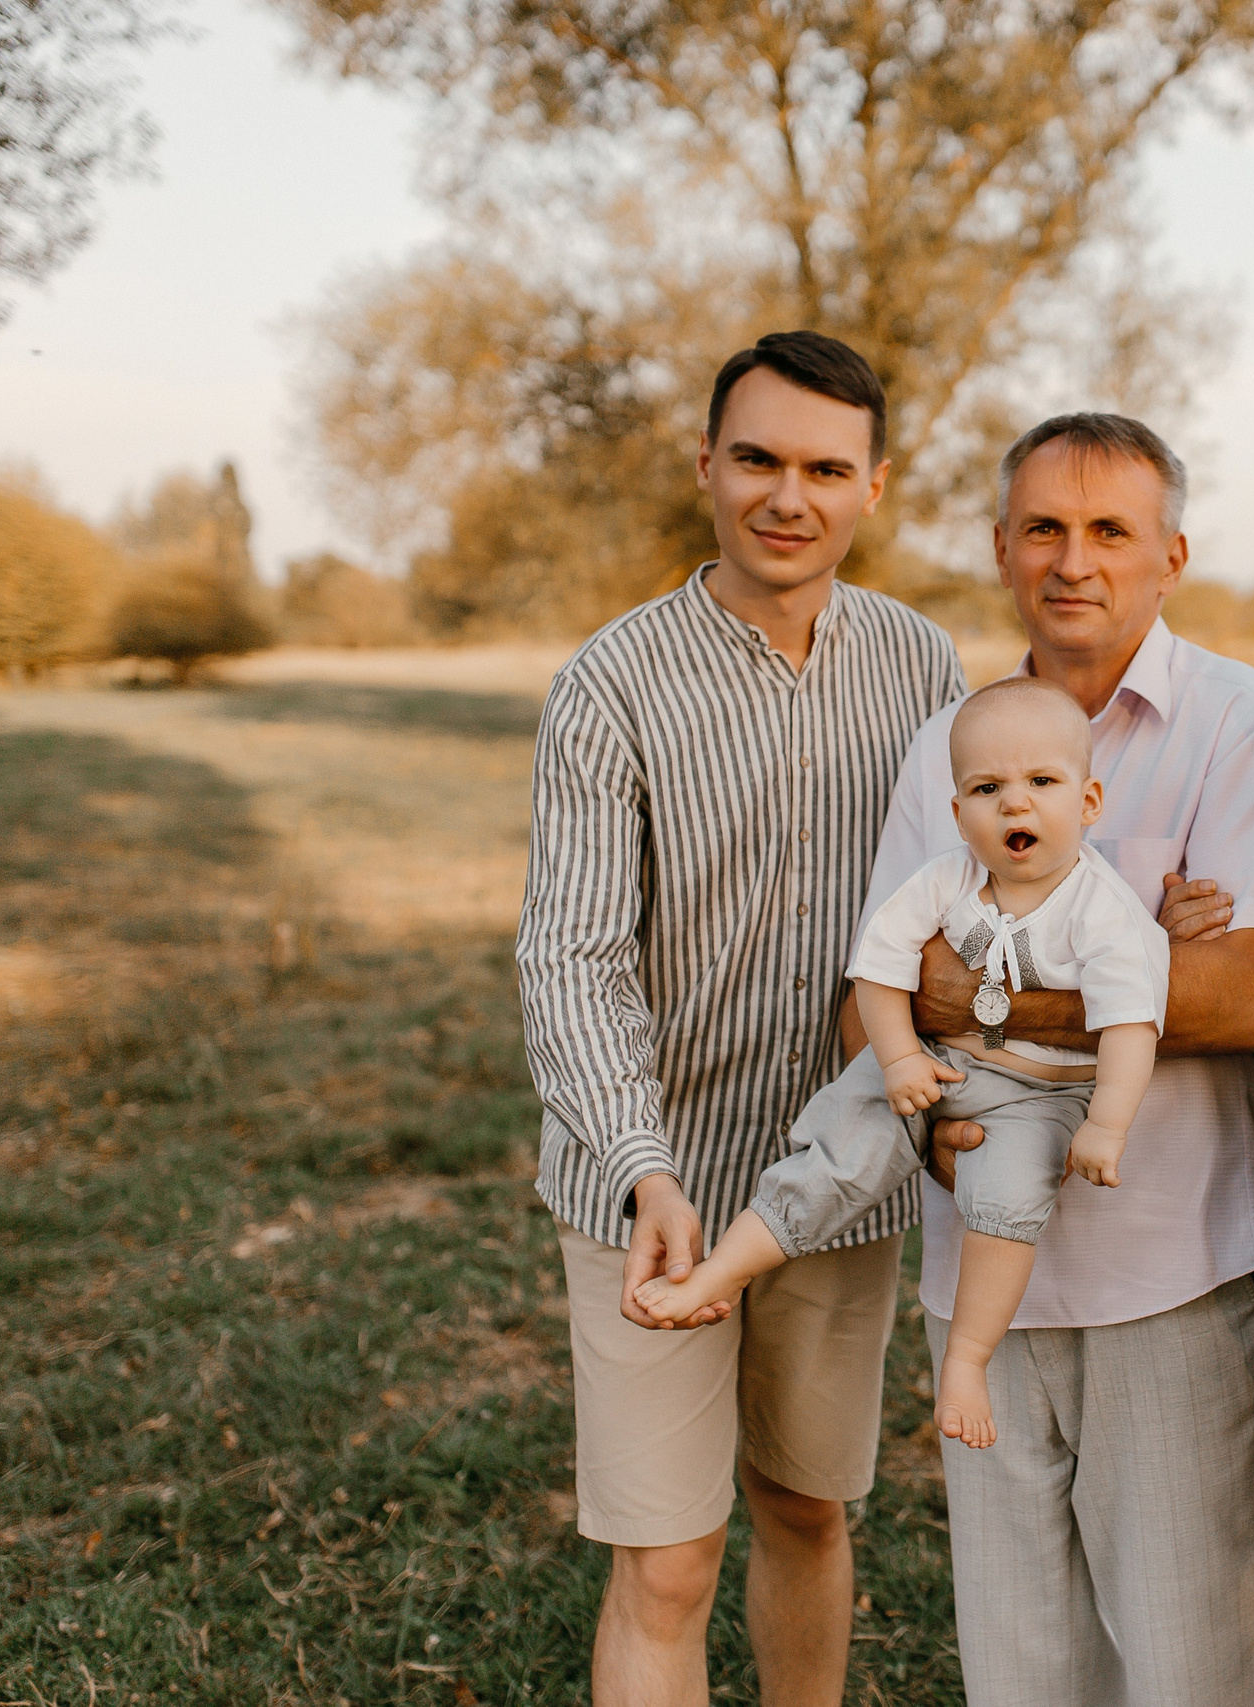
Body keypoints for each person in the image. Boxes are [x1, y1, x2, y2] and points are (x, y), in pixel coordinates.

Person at [514, 330, 965, 1707]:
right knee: (667, 1562)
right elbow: (572, 955)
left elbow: (974, 889)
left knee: (806, 1507)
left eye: (827, 467)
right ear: (706, 464)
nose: (790, 495)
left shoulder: (922, 666)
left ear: (873, 486)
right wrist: (644, 1166)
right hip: (652, 1181)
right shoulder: (612, 681)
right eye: (759, 458)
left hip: (840, 1173)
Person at [867, 412, 1254, 1705]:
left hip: (1169, 1264)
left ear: (1169, 554)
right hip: (980, 1272)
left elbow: (1246, 994)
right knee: (1023, 1668)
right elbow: (877, 998)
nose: (1076, 559)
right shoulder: (947, 744)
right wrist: (1126, 974)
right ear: (1002, 546)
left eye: (1110, 529)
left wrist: (980, 990)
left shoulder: (1240, 721)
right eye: (1047, 528)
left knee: (1194, 1669)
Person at [624, 676, 1172, 1456]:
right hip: (938, 1061)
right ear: (958, 813)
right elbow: (879, 970)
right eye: (988, 788)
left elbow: (1129, 1026)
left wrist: (1107, 1126)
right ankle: (724, 1270)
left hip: (1038, 1094)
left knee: (1007, 1199)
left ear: (1087, 803)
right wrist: (901, 1056)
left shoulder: (1100, 908)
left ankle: (967, 1361)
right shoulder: (947, 877)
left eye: (1041, 783)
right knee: (844, 1146)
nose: (1015, 805)